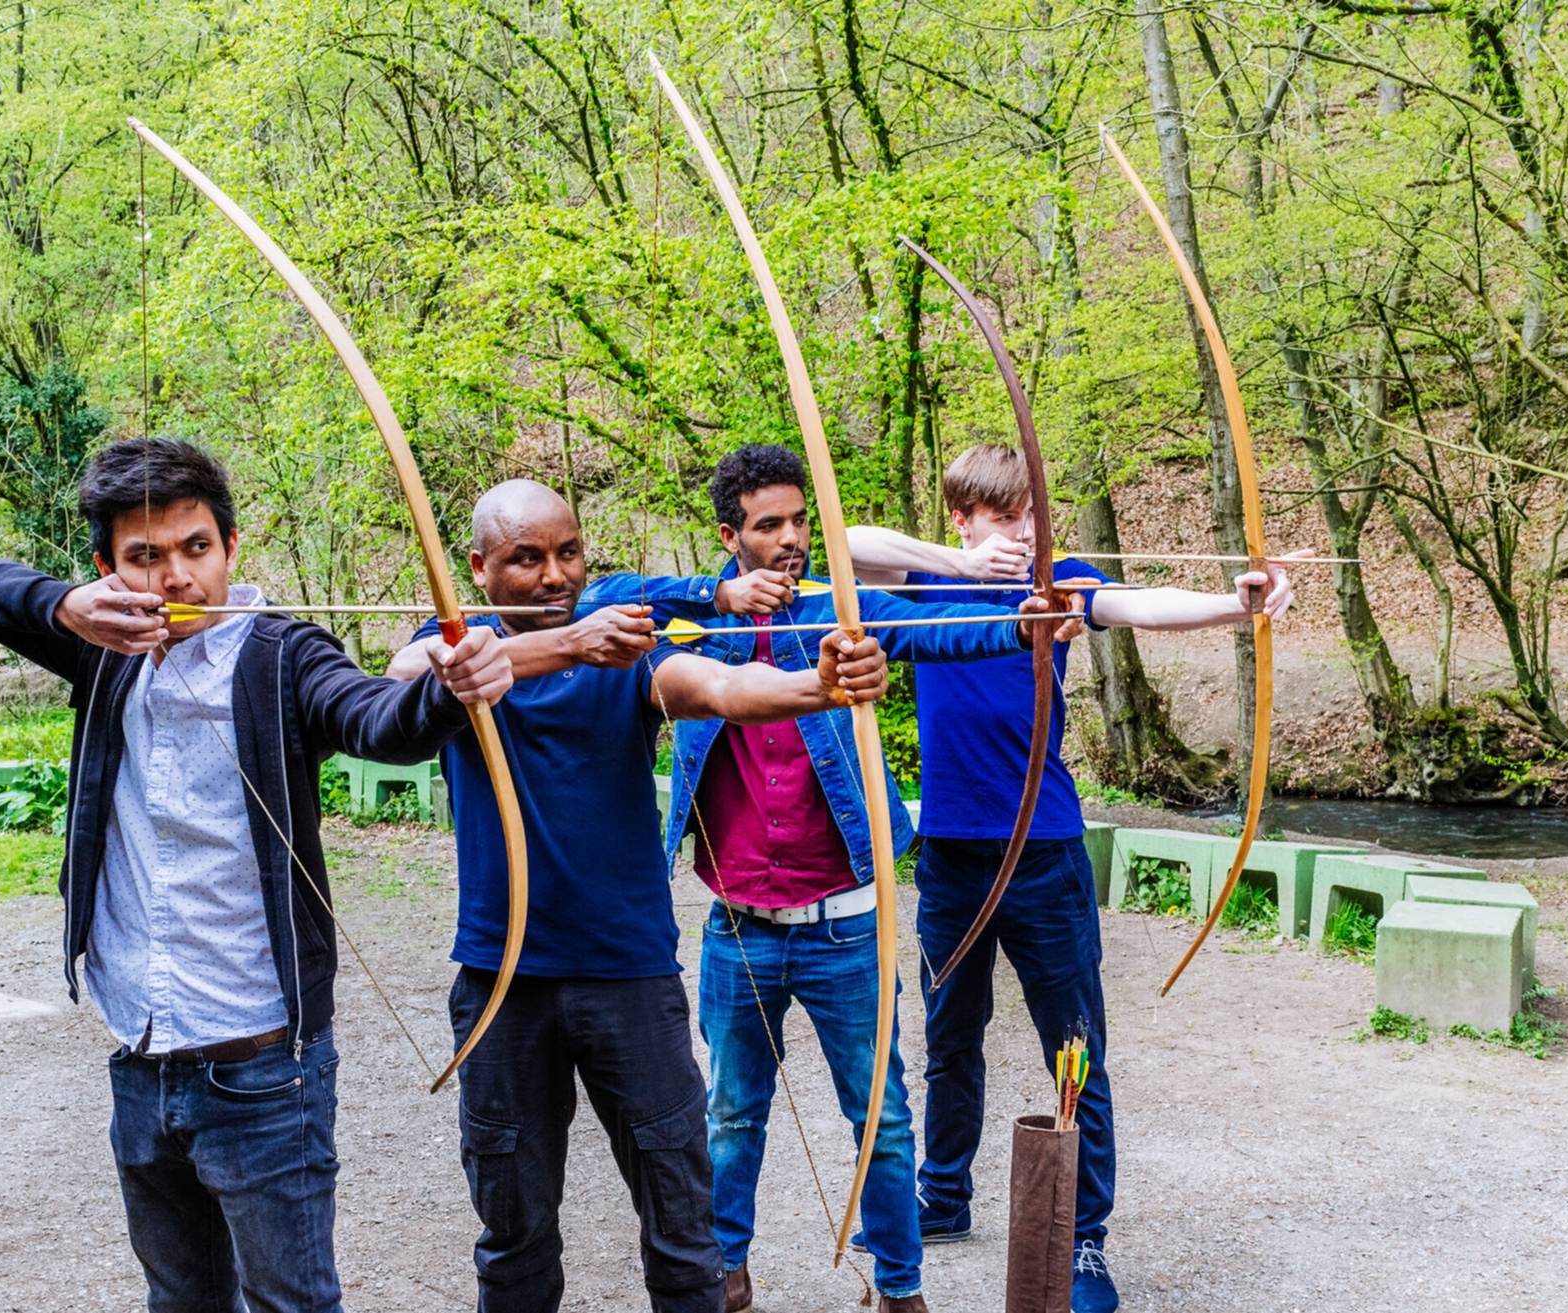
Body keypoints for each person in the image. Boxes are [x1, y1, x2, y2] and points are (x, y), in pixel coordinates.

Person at [0, 437, 511, 1313]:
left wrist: (449, 691)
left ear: (231, 547)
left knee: (293, 1304)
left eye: (196, 547)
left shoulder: (281, 653)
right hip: (141, 1049)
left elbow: (375, 717)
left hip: (261, 1066)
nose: (176, 577)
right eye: (145, 557)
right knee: (182, 1300)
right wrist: (65, 608)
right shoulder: (102, 648)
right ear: (108, 569)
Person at [392, 478, 892, 1313]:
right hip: (502, 983)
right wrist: (569, 643)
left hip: (629, 979)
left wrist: (822, 688)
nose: (555, 575)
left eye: (569, 553)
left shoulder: (628, 655)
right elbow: (414, 675)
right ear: (478, 568)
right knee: (513, 1239)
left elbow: (725, 691)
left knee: (684, 1236)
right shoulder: (454, 645)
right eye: (526, 559)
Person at [843, 442, 1299, 1313]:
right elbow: (844, 545)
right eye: (1004, 517)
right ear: (965, 518)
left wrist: (1231, 607)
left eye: (1031, 517)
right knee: (949, 1035)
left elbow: (1137, 604)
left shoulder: (1057, 584)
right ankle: (944, 1195)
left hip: (1044, 851)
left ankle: (1083, 1238)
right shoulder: (929, 585)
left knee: (1074, 1047)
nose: (1022, 533)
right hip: (951, 855)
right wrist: (959, 563)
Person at [625, 444, 1077, 1313]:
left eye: (802, 520)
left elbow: (938, 629)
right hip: (739, 925)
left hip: (846, 925)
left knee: (884, 1121)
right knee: (729, 1116)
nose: (793, 537)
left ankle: (901, 1288)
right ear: (731, 535)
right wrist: (716, 598)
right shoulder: (693, 625)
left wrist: (1026, 623)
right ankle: (728, 1271)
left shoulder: (849, 610)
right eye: (771, 525)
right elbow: (607, 602)